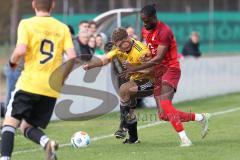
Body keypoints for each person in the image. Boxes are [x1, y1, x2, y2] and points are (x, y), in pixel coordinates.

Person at [122, 5, 211, 147]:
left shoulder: (165, 32)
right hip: (158, 72)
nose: (144, 24)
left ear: (154, 17)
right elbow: (151, 52)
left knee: (165, 103)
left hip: (171, 69)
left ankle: (184, 139)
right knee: (163, 114)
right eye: (142, 21)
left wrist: (136, 67)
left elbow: (159, 57)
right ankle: (201, 117)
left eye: (147, 21)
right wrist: (144, 58)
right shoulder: (145, 30)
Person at [0, 0, 76, 160]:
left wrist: (12, 63)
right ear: (52, 5)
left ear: (34, 4)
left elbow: (20, 50)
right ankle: (47, 142)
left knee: (9, 124)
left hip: (29, 83)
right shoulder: (62, 28)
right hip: (50, 88)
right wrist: (63, 78)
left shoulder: (26, 24)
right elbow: (73, 57)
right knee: (26, 126)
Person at [83, 28, 154, 144]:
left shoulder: (142, 51)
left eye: (121, 45)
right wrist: (91, 66)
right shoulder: (118, 47)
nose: (119, 48)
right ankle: (133, 139)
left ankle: (123, 126)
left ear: (127, 39)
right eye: (117, 46)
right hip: (136, 81)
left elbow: (153, 69)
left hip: (151, 81)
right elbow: (105, 59)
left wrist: (134, 68)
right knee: (129, 107)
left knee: (124, 90)